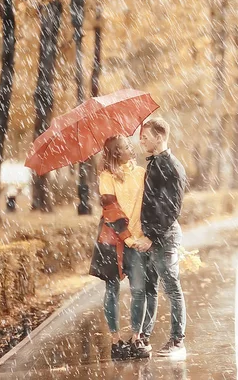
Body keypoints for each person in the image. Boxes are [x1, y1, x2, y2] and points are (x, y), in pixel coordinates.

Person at [89, 135, 158, 361]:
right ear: (116, 153)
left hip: (137, 241)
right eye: (126, 146)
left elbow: (150, 203)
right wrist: (127, 238)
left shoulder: (140, 173)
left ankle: (137, 337)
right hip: (113, 242)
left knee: (139, 289)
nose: (132, 148)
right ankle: (116, 341)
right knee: (112, 290)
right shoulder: (106, 177)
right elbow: (111, 209)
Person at [135, 118, 188, 360]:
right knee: (149, 289)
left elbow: (171, 209)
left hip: (163, 238)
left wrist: (152, 237)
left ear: (159, 136)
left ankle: (178, 341)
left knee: (172, 288)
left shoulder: (172, 167)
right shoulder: (155, 164)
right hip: (150, 236)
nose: (141, 139)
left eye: (145, 136)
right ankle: (142, 338)